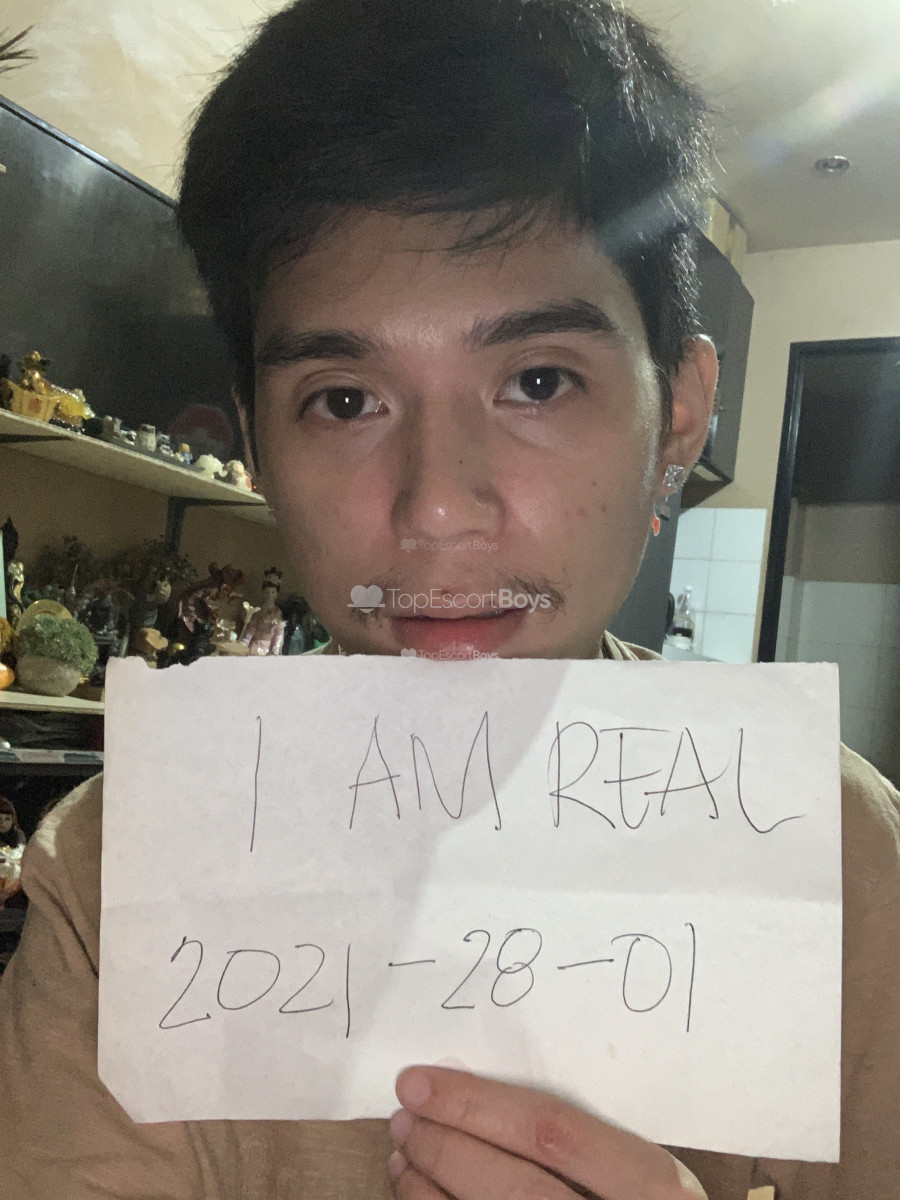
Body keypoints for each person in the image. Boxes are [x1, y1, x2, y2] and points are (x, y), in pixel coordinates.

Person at [1, 2, 898, 1197]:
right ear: (257, 441)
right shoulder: (124, 865)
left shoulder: (838, 853)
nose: (434, 508)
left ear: (679, 413)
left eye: (538, 381)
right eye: (345, 400)